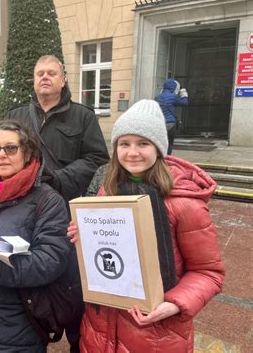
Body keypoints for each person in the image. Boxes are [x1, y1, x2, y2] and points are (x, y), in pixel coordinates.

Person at [67, 99, 225, 352]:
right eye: (124, 143)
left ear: (159, 148)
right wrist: (83, 236)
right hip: (100, 330)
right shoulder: (107, 192)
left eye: (143, 143)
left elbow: (208, 273)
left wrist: (174, 304)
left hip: (157, 335)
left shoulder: (185, 203)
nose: (132, 152)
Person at [0, 119, 82, 352]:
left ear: (27, 152)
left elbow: (52, 260)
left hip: (17, 325)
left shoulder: (48, 200)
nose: (1, 155)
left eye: (11, 148)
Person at [7, 55, 109, 203]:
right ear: (34, 80)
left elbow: (97, 159)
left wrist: (60, 177)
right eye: (40, 74)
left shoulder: (83, 116)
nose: (45, 77)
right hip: (20, 200)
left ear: (62, 81)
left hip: (62, 200)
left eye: (51, 73)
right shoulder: (15, 116)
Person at [154, 78, 189, 155]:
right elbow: (185, 103)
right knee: (169, 143)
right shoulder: (173, 96)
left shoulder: (157, 97)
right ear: (175, 87)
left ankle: (159, 157)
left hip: (160, 123)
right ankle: (168, 158)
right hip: (170, 123)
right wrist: (183, 93)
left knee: (160, 142)